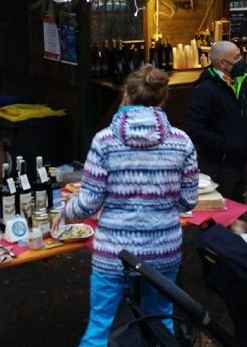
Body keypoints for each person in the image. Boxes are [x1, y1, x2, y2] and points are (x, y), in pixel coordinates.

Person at [52, 64, 199, 346]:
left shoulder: (104, 141)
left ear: (126, 97)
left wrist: (66, 210)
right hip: (163, 248)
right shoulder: (182, 142)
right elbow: (188, 201)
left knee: (101, 329)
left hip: (114, 252)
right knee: (161, 324)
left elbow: (89, 203)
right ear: (163, 99)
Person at [185, 40, 247, 202]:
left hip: (239, 162)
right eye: (237, 57)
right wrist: (228, 145)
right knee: (218, 217)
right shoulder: (204, 90)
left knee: (237, 213)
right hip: (218, 167)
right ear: (223, 63)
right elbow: (195, 130)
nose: (241, 60)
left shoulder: (237, 83)